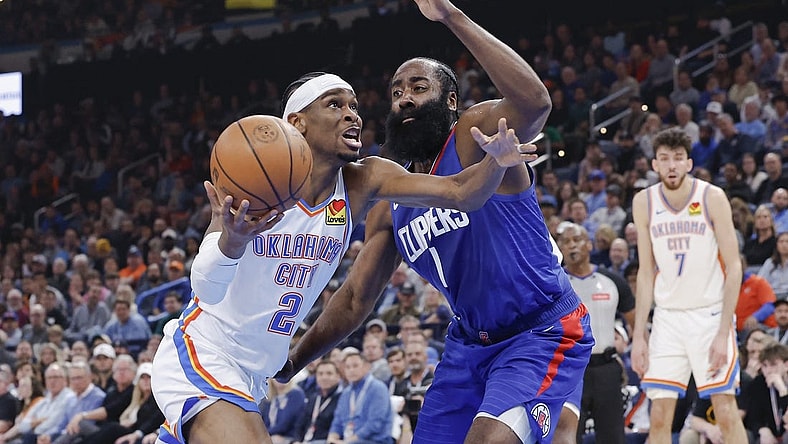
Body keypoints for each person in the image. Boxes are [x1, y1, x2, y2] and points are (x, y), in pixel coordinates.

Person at [150, 49, 533, 444]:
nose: (353, 114)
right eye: (335, 105)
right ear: (296, 123)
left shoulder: (364, 180)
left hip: (254, 375)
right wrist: (230, 243)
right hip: (204, 353)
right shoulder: (255, 180)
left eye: (354, 105)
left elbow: (460, 192)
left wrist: (497, 161)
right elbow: (206, 290)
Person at [279, 0, 593, 443]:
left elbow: (535, 103)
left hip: (539, 330)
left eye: (418, 87)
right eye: (395, 92)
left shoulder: (474, 136)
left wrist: (451, 17)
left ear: (450, 100)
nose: (404, 97)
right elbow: (353, 301)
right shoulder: (392, 202)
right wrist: (296, 358)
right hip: (468, 345)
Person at [630, 128, 749, 444]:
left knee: (725, 410)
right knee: (658, 417)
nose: (671, 166)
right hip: (668, 319)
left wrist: (724, 330)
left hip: (709, 317)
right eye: (665, 159)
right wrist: (640, 334)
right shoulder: (644, 202)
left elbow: (734, 266)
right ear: (654, 164)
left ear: (689, 163)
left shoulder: (712, 197)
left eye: (678, 159)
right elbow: (645, 272)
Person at [554, 222, 635, 444]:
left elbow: (635, 322)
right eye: (565, 242)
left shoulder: (612, 281)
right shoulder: (554, 283)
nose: (571, 246)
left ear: (589, 245)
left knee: (613, 437)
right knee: (566, 436)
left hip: (606, 368)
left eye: (576, 240)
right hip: (568, 369)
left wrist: (627, 341)